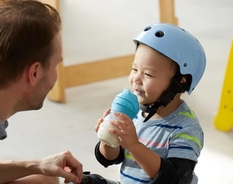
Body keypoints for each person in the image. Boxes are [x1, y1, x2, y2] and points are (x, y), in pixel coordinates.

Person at [0, 0, 83, 184]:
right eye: (56, 65)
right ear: (34, 73)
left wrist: (36, 165)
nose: (55, 74)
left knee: (43, 179)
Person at [87, 23, 206, 184]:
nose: (136, 79)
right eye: (135, 69)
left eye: (148, 74)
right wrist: (109, 139)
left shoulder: (186, 127)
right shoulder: (135, 112)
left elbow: (175, 178)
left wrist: (134, 145)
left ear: (180, 82)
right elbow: (110, 159)